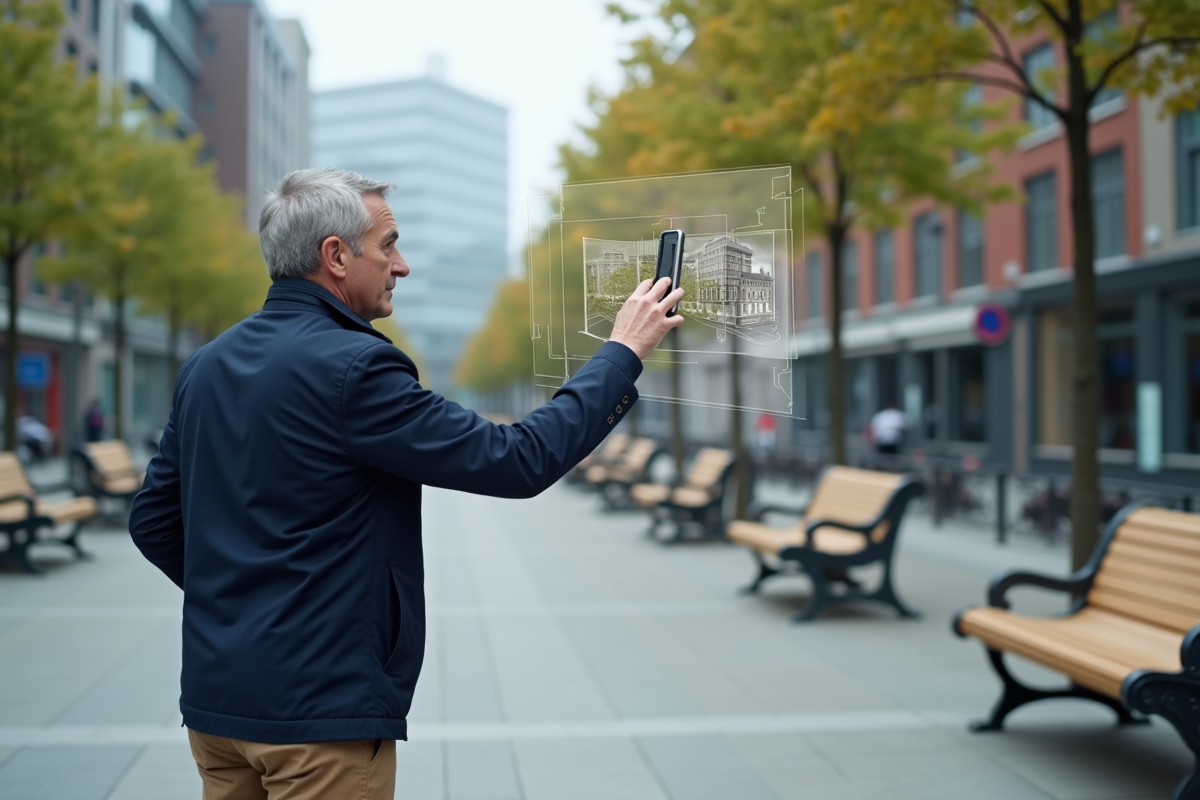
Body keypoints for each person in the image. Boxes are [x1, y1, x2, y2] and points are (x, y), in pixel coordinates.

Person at [128, 167, 685, 800]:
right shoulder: (356, 366)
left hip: (216, 712)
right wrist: (623, 351)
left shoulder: (204, 365)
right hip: (321, 719)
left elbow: (151, 521)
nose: (403, 265)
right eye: (388, 244)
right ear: (334, 256)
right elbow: (519, 459)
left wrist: (248, 604)